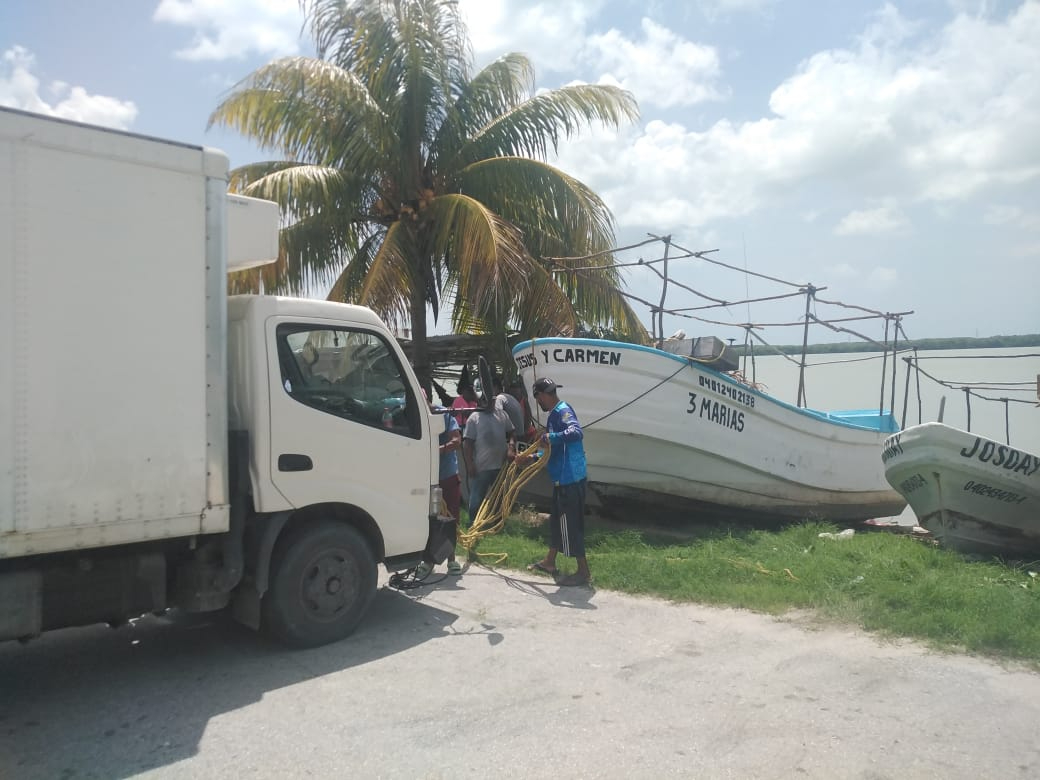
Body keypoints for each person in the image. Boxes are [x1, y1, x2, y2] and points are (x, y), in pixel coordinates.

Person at [523, 377, 590, 586]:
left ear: (542, 395)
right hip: (562, 479)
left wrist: (550, 437)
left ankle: (583, 571)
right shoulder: (554, 415)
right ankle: (550, 561)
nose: (539, 403)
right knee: (556, 522)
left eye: (538, 398)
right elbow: (549, 452)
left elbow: (576, 432)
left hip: (571, 479)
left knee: (571, 525)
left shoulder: (562, 411)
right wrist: (529, 458)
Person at [417, 394, 463, 577]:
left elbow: (457, 441)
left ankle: (451, 559)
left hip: (447, 475)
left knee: (450, 517)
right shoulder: (415, 415)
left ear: (427, 398)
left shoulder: (444, 414)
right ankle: (428, 561)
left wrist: (437, 451)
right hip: (425, 477)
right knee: (429, 518)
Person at [463, 392, 515, 525]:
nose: (490, 403)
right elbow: (467, 444)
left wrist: (511, 447)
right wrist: (469, 464)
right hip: (482, 466)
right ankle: (473, 523)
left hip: (500, 465)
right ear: (480, 401)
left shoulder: (502, 414)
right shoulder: (474, 418)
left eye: (492, 400)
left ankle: (497, 523)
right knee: (476, 498)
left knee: (499, 496)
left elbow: (512, 432)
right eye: (486, 400)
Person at [493, 375, 524, 440]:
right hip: (521, 437)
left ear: (495, 387)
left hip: (513, 439)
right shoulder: (509, 397)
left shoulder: (499, 398)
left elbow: (497, 418)